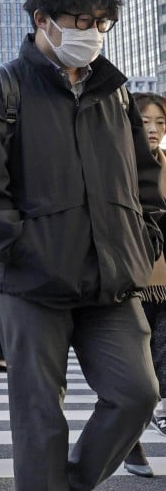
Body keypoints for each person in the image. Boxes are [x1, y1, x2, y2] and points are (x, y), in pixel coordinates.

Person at [0, 0, 163, 491]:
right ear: (42, 20)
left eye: (100, 23)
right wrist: (21, 250)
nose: (90, 33)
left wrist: (146, 238)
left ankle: (68, 484)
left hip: (110, 280)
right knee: (41, 417)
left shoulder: (115, 94)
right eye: (79, 20)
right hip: (30, 283)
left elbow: (144, 181)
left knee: (137, 394)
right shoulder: (0, 90)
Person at [122, 92, 166, 477]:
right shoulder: (121, 164)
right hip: (135, 281)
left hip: (165, 283)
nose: (153, 129)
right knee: (139, 371)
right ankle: (130, 441)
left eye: (161, 122)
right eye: (145, 121)